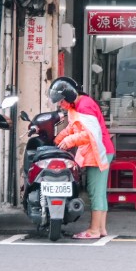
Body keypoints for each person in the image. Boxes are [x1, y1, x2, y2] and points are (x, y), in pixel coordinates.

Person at [50, 77, 115, 239]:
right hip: (95, 151)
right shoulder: (78, 105)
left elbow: (90, 134)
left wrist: (68, 141)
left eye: (61, 101)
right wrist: (57, 140)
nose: (60, 104)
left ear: (70, 95)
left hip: (100, 151)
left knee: (95, 192)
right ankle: (100, 228)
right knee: (98, 191)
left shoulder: (85, 106)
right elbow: (73, 128)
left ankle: (93, 230)